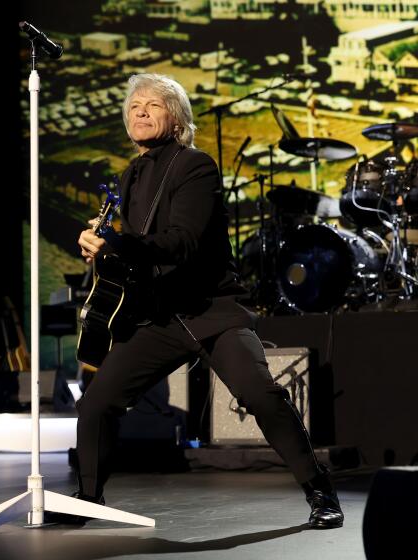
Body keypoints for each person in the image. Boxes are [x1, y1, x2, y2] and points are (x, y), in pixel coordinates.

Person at [64, 73, 342, 528]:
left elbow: (181, 242)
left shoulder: (196, 166)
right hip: (158, 316)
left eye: (153, 104)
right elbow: (133, 255)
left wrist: (118, 242)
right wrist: (101, 248)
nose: (140, 110)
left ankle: (319, 491)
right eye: (134, 105)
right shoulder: (128, 176)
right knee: (96, 403)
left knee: (261, 395)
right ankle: (87, 498)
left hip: (210, 310)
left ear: (177, 118)